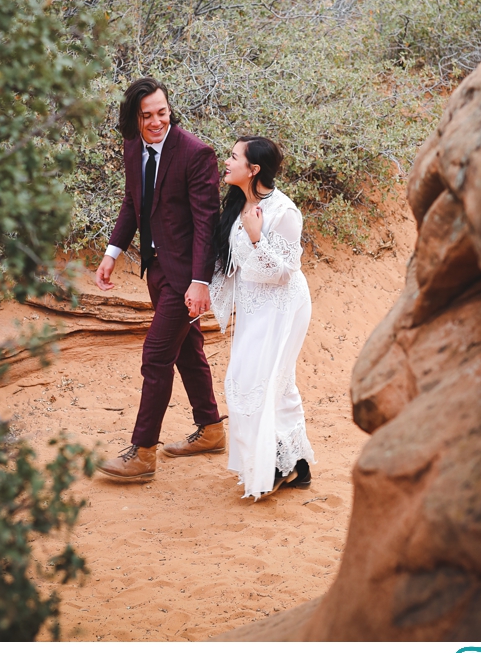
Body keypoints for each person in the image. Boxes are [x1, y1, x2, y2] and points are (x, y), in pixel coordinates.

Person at [94, 77, 225, 480]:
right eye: (147, 115)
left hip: (186, 276)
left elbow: (207, 223)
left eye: (162, 113)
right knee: (187, 349)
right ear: (135, 117)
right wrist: (111, 253)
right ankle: (212, 428)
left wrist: (200, 281)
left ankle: (144, 452)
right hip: (157, 270)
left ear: (170, 109)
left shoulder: (195, 153)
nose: (156, 122)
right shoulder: (133, 147)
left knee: (155, 356)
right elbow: (133, 203)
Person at [208, 136, 315, 499]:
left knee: (262, 383)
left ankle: (275, 465)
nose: (227, 160)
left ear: (253, 169)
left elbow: (285, 272)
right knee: (262, 383)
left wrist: (257, 239)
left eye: (233, 156)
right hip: (255, 307)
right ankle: (296, 466)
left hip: (285, 307)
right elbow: (229, 262)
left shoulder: (284, 212)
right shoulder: (240, 202)